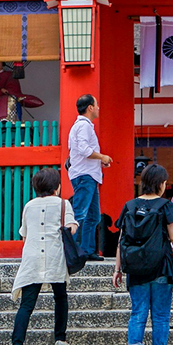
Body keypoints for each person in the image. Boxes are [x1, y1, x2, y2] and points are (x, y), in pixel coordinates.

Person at [114, 161, 173, 345]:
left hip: (135, 268)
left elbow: (121, 240)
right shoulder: (166, 206)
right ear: (161, 184)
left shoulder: (130, 206)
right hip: (161, 267)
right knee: (160, 314)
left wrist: (117, 269)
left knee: (138, 311)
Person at [9, 165, 77, 345]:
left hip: (32, 257)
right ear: (56, 186)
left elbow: (24, 233)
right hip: (55, 255)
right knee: (60, 296)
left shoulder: (29, 206)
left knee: (26, 305)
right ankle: (60, 336)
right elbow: (71, 228)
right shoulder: (63, 204)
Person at [67, 94, 112, 262]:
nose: (98, 108)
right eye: (97, 105)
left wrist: (100, 161)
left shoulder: (80, 126)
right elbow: (85, 150)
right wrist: (102, 157)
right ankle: (72, 251)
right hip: (85, 176)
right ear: (90, 108)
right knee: (80, 213)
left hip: (88, 174)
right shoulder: (84, 126)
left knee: (93, 216)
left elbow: (80, 152)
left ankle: (87, 250)